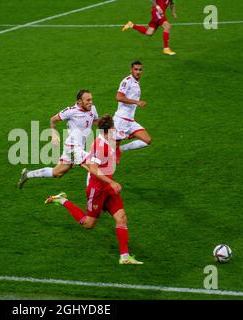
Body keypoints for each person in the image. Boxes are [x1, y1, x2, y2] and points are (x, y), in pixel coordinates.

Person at [45, 115, 143, 265]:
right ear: (107, 131)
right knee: (88, 224)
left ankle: (124, 257)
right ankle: (62, 200)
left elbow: (131, 136)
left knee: (121, 218)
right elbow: (94, 170)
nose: (116, 132)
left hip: (108, 187)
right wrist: (112, 182)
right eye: (113, 129)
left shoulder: (112, 137)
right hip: (96, 188)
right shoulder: (99, 146)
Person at [17, 89, 99, 189]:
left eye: (91, 100)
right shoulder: (71, 111)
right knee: (93, 165)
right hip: (72, 146)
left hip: (79, 146)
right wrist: (54, 134)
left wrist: (108, 127)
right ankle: (94, 195)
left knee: (57, 173)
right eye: (88, 100)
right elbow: (53, 120)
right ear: (79, 101)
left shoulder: (92, 109)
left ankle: (28, 174)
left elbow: (95, 121)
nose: (90, 102)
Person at [114, 61, 152, 153]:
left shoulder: (136, 83)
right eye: (136, 69)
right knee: (109, 150)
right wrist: (137, 102)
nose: (138, 72)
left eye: (140, 70)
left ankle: (120, 150)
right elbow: (118, 97)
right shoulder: (127, 81)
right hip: (121, 121)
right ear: (131, 70)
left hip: (130, 121)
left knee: (147, 140)